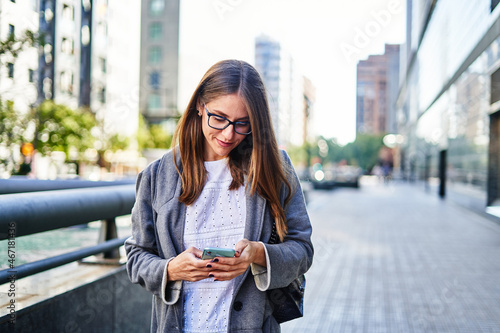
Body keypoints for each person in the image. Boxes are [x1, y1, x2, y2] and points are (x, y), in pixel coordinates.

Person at [125, 59, 313, 333]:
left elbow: (302, 249)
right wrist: (171, 270)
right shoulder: (157, 176)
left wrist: (259, 254)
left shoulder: (274, 166)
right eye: (219, 118)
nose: (228, 134)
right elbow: (136, 255)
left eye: (242, 123)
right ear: (200, 105)